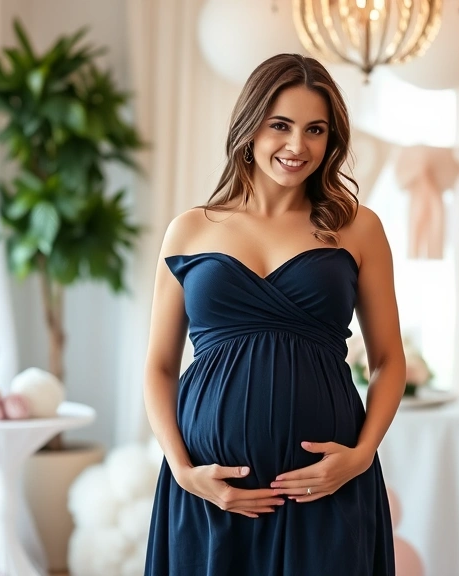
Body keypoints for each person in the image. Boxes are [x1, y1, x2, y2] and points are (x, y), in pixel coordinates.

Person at [142, 53, 406, 575]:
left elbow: (389, 361)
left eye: (315, 130)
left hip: (325, 489)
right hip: (211, 492)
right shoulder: (190, 229)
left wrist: (360, 456)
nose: (296, 146)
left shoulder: (358, 229)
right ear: (250, 126)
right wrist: (182, 468)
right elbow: (159, 366)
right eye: (280, 125)